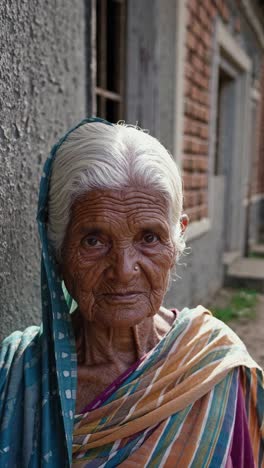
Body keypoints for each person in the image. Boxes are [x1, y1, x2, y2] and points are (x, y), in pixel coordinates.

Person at [0, 117, 263, 467]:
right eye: (94, 240)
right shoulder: (15, 375)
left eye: (149, 238)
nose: (124, 270)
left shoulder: (215, 366)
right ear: (57, 250)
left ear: (177, 238)